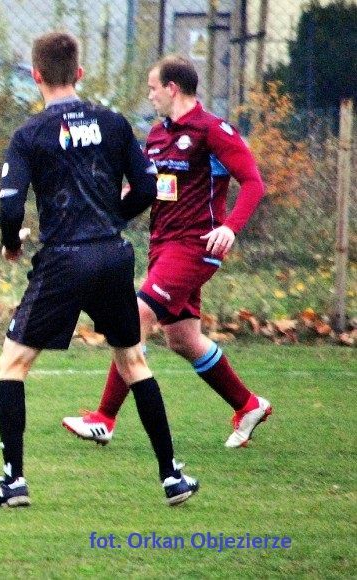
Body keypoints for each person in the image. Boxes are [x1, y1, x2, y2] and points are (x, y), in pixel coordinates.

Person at [0, 32, 197, 507]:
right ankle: (172, 476)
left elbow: (10, 206)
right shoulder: (114, 123)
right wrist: (111, 219)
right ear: (79, 73)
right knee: (133, 362)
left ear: (36, 76)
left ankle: (14, 481)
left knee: (13, 364)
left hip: (64, 259)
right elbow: (149, 188)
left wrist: (11, 244)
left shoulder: (29, 134)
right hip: (112, 255)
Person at [62, 55, 271, 449]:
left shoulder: (213, 131)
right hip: (164, 246)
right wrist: (106, 209)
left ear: (172, 88)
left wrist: (230, 227)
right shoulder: (158, 135)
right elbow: (150, 188)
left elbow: (253, 182)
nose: (150, 95)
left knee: (135, 316)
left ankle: (104, 419)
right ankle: (248, 405)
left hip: (195, 246)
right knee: (183, 338)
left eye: (153, 88)